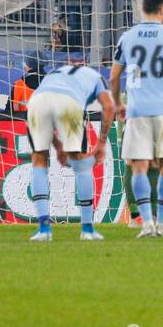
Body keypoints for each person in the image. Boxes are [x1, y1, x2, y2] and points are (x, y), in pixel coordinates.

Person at [110, 0, 163, 239]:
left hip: (137, 110)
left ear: (143, 9)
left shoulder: (127, 37)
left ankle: (145, 223)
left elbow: (114, 76)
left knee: (139, 166)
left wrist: (117, 104)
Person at [25, 59, 115, 242]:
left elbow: (48, 104)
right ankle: (87, 229)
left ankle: (44, 230)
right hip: (69, 102)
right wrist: (101, 143)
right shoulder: (96, 76)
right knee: (81, 164)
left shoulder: (53, 73)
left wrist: (58, 147)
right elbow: (109, 106)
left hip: (37, 100)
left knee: (39, 159)